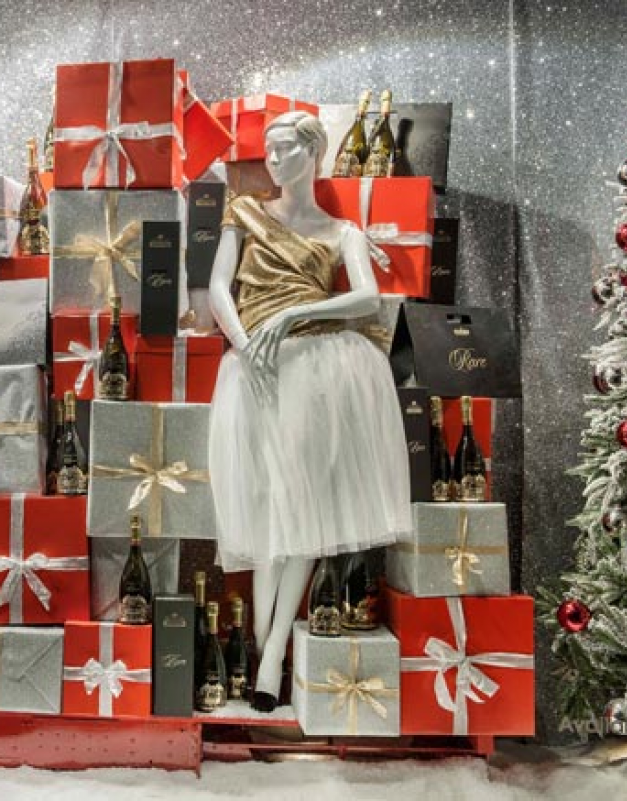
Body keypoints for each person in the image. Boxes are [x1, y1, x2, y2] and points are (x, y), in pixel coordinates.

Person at [206, 111, 412, 711]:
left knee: (303, 503)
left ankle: (270, 653)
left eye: (286, 149)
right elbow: (219, 288)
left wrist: (298, 312)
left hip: (317, 368)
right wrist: (244, 344)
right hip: (256, 366)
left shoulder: (342, 230)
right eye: (268, 150)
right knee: (271, 500)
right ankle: (262, 642)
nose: (273, 160)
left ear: (314, 153)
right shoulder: (244, 211)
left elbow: (368, 297)